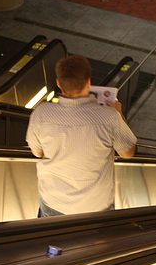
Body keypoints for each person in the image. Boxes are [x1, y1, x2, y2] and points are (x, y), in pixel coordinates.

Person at [26, 55, 137, 217]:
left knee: (51, 240)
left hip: (53, 200)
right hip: (94, 206)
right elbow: (128, 153)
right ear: (88, 82)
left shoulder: (41, 113)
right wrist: (119, 113)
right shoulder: (108, 117)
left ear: (58, 83)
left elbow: (37, 153)